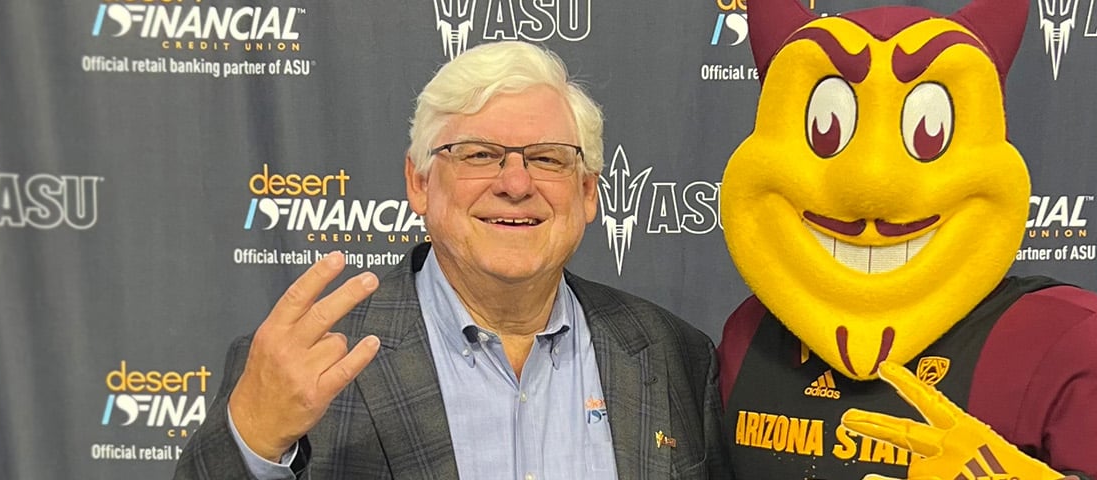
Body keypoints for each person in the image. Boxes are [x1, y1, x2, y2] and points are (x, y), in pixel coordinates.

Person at [174, 41, 731, 479]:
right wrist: (249, 443)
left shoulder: (674, 357)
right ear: (419, 184)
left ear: (588, 193)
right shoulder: (311, 362)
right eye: (480, 155)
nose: (515, 184)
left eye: (546, 158)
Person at [714, 0, 1097, 478]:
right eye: (826, 129)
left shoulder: (1079, 344)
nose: (872, 185)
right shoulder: (751, 333)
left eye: (928, 133)